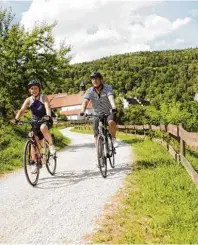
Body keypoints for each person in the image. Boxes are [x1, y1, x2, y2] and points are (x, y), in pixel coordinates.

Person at [13, 79, 56, 173]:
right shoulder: (28, 100)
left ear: (39, 89)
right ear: (29, 90)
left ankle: (51, 145)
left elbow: (47, 106)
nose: (34, 90)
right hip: (35, 122)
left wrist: (48, 116)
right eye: (32, 88)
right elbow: (22, 110)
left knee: (43, 128)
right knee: (33, 141)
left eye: (36, 88)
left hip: (45, 120)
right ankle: (35, 163)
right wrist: (16, 119)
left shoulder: (43, 97)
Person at [80, 72, 118, 148]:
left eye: (96, 79)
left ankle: (113, 138)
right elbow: (85, 101)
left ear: (101, 80)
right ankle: (99, 152)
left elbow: (110, 97)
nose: (94, 81)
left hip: (108, 111)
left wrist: (114, 107)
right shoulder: (89, 91)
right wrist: (82, 111)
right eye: (92, 79)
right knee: (96, 132)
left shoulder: (108, 87)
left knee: (111, 122)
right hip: (96, 113)